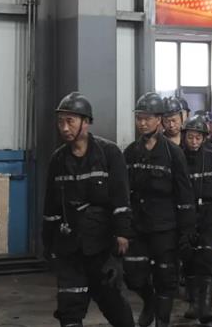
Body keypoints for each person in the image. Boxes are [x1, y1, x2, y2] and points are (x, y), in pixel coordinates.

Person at [42, 92, 135, 327]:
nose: (64, 128)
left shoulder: (109, 153)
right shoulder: (57, 160)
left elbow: (121, 199)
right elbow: (51, 208)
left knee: (114, 304)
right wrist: (49, 246)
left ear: (86, 122)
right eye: (61, 122)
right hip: (69, 248)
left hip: (102, 247)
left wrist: (122, 237)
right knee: (69, 307)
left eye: (70, 121)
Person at [124, 92, 194, 327]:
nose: (142, 123)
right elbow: (122, 192)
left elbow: (184, 194)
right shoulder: (130, 153)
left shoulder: (174, 154)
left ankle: (162, 321)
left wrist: (186, 231)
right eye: (139, 118)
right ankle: (149, 302)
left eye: (147, 118)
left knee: (165, 279)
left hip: (165, 228)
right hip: (138, 227)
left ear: (159, 120)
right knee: (133, 275)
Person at [180, 115, 212, 325]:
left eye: (198, 138)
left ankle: (206, 307)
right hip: (187, 214)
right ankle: (193, 304)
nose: (194, 142)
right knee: (190, 260)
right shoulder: (178, 158)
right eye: (190, 137)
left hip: (210, 214)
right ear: (184, 137)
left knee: (209, 260)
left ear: (204, 138)